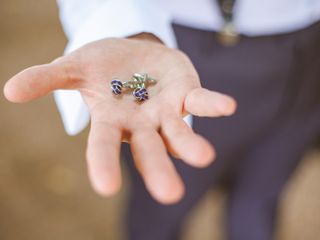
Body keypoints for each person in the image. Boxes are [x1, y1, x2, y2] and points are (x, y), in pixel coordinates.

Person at [3, 0, 320, 240]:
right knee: (166, 204)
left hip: (310, 51)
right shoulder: (148, 77)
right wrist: (125, 26)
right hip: (177, 45)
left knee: (262, 199)